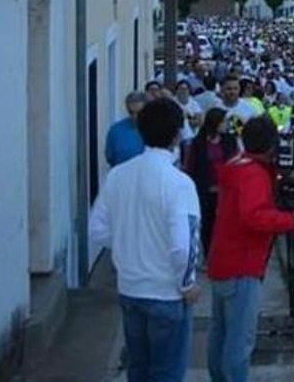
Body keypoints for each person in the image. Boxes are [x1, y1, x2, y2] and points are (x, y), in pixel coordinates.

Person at [89, 98, 201, 382]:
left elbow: (97, 229)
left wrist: (129, 242)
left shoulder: (118, 175)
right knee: (166, 373)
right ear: (177, 134)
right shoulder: (179, 183)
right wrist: (187, 284)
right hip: (167, 294)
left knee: (138, 370)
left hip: (130, 289)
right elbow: (183, 244)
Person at [206, 115, 294, 382]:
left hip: (224, 260)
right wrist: (290, 219)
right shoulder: (253, 174)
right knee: (239, 340)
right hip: (242, 265)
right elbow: (253, 216)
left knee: (221, 333)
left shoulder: (237, 164)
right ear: (271, 144)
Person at [183, 108, 235, 258]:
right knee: (208, 223)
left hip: (225, 189)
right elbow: (191, 165)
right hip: (205, 188)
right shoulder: (199, 142)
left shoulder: (229, 140)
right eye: (224, 121)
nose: (226, 124)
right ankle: (208, 255)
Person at [105, 91, 148, 167]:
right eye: (131, 112)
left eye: (139, 113)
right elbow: (110, 157)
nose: (135, 116)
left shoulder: (155, 130)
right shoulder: (116, 130)